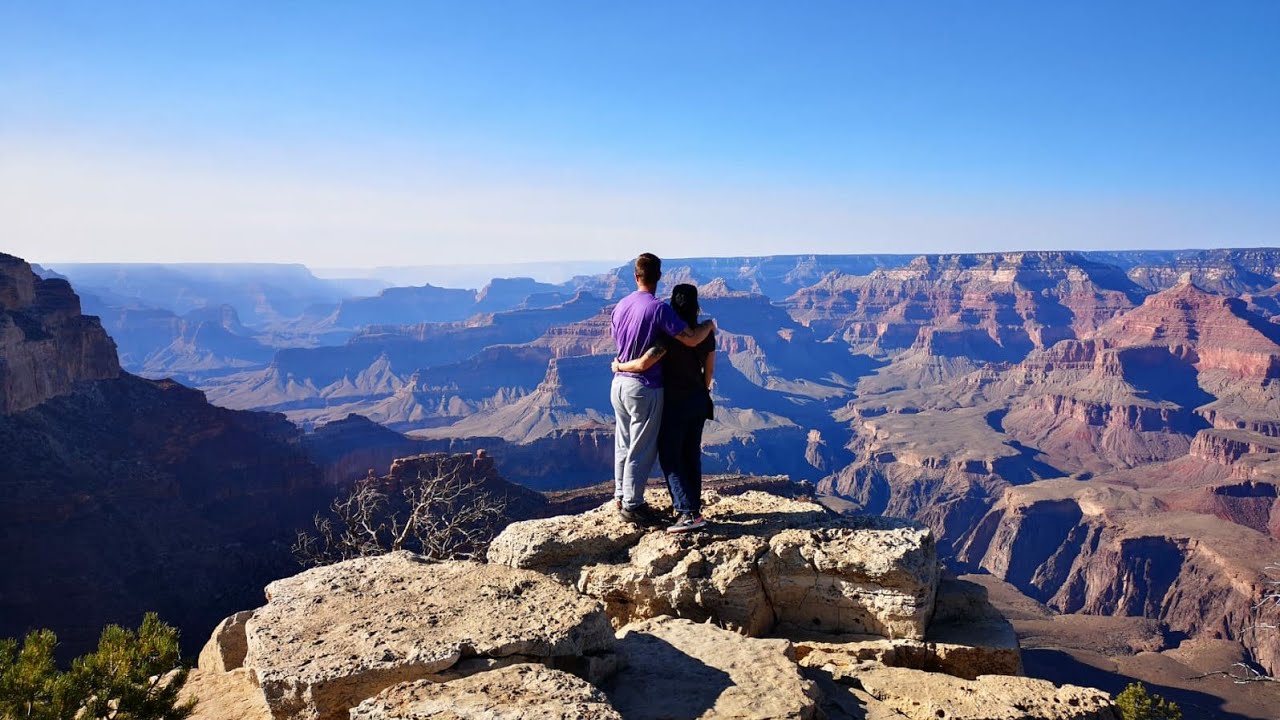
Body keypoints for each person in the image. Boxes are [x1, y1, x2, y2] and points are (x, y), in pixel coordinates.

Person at [610, 254, 714, 525]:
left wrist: (620, 367)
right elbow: (689, 340)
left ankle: (621, 495)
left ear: (635, 276)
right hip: (644, 387)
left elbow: (621, 342)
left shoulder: (620, 305)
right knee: (642, 448)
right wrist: (710, 325)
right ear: (658, 277)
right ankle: (632, 505)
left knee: (623, 442)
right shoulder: (658, 309)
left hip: (618, 384)